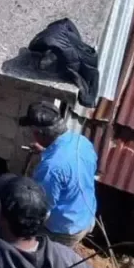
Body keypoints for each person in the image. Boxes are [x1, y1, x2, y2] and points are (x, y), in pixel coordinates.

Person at [20, 101, 97, 247]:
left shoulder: (50, 168)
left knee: (38, 257)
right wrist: (46, 152)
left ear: (39, 133)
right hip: (85, 215)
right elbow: (73, 168)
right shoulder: (82, 142)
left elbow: (42, 209)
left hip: (64, 229)